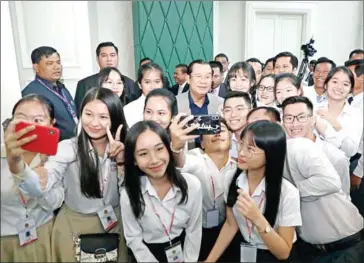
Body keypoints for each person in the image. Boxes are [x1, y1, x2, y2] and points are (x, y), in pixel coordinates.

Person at [13, 88, 128, 262]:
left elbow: (131, 193)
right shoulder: (68, 148)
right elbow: (47, 178)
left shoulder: (125, 149)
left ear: (115, 119)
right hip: (75, 227)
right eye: (88, 114)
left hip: (114, 226)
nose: (94, 123)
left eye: (103, 117)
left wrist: (121, 162)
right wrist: (28, 173)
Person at [206, 121, 302, 262]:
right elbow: (231, 224)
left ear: (270, 154)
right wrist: (210, 260)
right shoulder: (231, 178)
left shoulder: (288, 193)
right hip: (245, 250)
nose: (242, 152)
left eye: (250, 149)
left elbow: (284, 253)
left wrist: (257, 218)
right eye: (241, 144)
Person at [120, 121, 203, 262]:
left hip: (185, 251)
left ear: (168, 148)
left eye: (159, 149)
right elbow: (134, 239)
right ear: (134, 160)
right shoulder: (128, 194)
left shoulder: (191, 185)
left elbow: (193, 231)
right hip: (148, 256)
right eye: (143, 154)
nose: (154, 160)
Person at [1, 95, 64, 262]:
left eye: (38, 119)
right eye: (21, 118)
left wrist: (35, 180)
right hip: (6, 241)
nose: (30, 125)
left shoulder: (56, 158)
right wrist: (13, 161)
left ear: (52, 124)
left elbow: (54, 203)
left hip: (44, 235)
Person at [169, 115, 238, 261]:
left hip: (226, 230)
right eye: (212, 130)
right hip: (194, 231)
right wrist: (176, 147)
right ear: (202, 144)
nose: (217, 133)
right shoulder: (196, 158)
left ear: (231, 140)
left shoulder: (238, 167)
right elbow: (181, 163)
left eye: (222, 129)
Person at [281, 96, 351, 197]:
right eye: (289, 118)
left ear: (313, 120)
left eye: (301, 117)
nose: (295, 124)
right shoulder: (281, 152)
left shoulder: (335, 157)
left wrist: (289, 190)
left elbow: (344, 198)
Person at [22, 46, 77, 141]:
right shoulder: (32, 93)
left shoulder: (61, 87)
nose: (57, 67)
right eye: (50, 63)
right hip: (56, 148)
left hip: (74, 143)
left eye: (58, 62)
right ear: (36, 67)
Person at [315, 66, 363, 159]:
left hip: (338, 170)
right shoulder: (314, 110)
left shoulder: (356, 115)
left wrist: (334, 124)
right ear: (326, 85)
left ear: (350, 90)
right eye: (335, 82)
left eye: (345, 84)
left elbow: (351, 151)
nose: (339, 87)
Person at [74, 42, 138, 110]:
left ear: (118, 57)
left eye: (112, 55)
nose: (109, 59)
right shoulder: (85, 84)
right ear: (97, 59)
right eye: (104, 56)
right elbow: (79, 112)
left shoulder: (130, 83)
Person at [176, 60, 223, 149]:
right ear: (188, 79)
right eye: (198, 76)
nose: (203, 81)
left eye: (207, 77)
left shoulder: (220, 104)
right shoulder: (175, 104)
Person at [123, 62, 165, 128]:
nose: (153, 86)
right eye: (147, 82)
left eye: (157, 82)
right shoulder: (129, 109)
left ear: (162, 83)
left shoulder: (169, 106)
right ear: (140, 85)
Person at [222, 91, 252, 160]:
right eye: (227, 110)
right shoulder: (221, 140)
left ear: (250, 111)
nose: (233, 115)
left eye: (239, 109)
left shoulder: (259, 139)